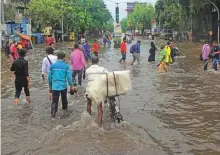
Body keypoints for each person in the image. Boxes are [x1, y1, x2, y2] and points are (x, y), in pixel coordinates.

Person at [48, 51, 75, 117]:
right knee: (64, 100)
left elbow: (49, 78)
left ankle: (53, 116)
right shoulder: (66, 66)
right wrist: (71, 86)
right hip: (63, 86)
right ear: (64, 58)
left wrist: (50, 86)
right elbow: (69, 78)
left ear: (57, 57)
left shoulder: (52, 66)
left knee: (54, 101)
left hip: (55, 87)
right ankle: (65, 115)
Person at [86, 56, 108, 124]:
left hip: (89, 90)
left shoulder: (88, 70)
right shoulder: (102, 69)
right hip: (98, 90)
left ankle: (89, 118)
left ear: (91, 62)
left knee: (89, 104)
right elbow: (108, 75)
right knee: (99, 107)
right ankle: (99, 123)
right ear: (98, 61)